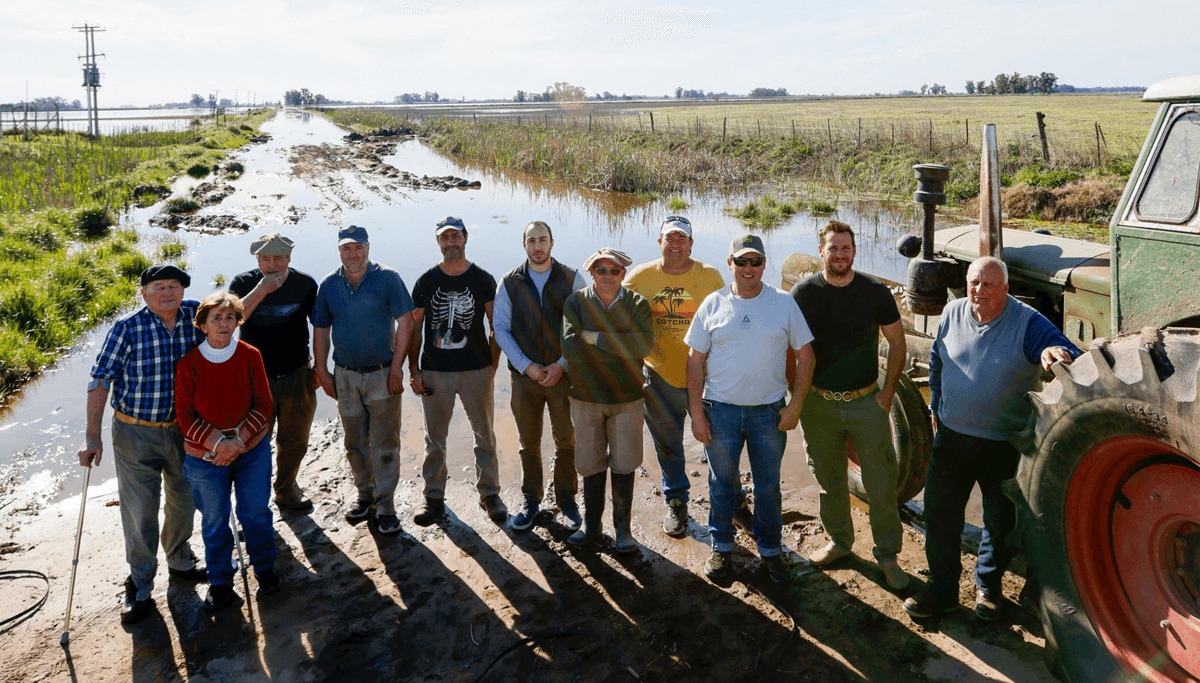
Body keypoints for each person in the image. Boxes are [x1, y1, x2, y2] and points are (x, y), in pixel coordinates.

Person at [903, 257, 1080, 621]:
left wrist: (1051, 353)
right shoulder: (952, 313)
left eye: (987, 285)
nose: (978, 291)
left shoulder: (1027, 323)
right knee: (940, 516)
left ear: (1005, 289)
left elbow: (1068, 352)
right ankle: (942, 589)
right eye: (973, 283)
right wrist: (936, 406)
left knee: (1000, 523)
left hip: (1002, 443)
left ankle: (988, 587)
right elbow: (937, 360)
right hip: (951, 438)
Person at [78, 264, 207, 625]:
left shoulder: (196, 316)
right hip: (135, 433)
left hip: (183, 431)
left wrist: (265, 285)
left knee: (184, 501)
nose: (167, 292)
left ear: (183, 290)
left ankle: (180, 560)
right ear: (144, 293)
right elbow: (100, 379)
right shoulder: (126, 329)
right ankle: (139, 583)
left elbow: (232, 315)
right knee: (140, 510)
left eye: (174, 286)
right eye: (158, 287)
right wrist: (92, 435)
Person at [685, 235, 815, 584]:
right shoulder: (712, 304)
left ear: (764, 265)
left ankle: (771, 550)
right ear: (729, 264)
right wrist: (697, 415)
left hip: (768, 414)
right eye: (741, 262)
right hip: (721, 412)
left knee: (768, 486)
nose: (748, 269)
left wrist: (796, 406)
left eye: (755, 261)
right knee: (722, 483)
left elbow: (806, 355)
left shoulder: (783, 303)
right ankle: (721, 546)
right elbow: (694, 362)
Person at [791, 220, 910, 590]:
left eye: (846, 248)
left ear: (854, 252)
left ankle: (887, 554)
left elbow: (897, 343)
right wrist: (795, 397)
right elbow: (791, 346)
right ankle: (840, 542)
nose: (839, 254)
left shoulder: (874, 292)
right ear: (821, 252)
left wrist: (887, 394)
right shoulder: (804, 292)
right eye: (832, 248)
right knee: (829, 481)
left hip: (865, 402)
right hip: (819, 403)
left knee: (880, 483)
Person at [624, 216, 728, 537]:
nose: (675, 244)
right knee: (668, 446)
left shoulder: (709, 276)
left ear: (691, 244)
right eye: (669, 238)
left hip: (707, 379)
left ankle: (730, 503)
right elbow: (613, 307)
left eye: (682, 238)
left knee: (720, 444)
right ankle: (677, 502)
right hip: (659, 377)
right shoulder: (641, 276)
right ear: (659, 243)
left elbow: (729, 322)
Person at [175, 292, 280, 612]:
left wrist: (239, 443)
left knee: (255, 513)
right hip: (206, 458)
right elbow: (185, 416)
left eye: (229, 317)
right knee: (215, 520)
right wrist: (220, 445)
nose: (224, 324)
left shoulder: (250, 355)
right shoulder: (188, 364)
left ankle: (264, 568)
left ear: (238, 321)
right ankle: (221, 580)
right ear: (202, 325)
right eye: (216, 319)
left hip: (251, 451)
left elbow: (264, 405)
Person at [312, 225, 415, 536]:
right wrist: (322, 370)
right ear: (339, 251)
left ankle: (385, 507)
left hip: (382, 373)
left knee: (385, 443)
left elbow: (406, 322)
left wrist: (398, 368)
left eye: (358, 247)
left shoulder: (388, 278)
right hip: (345, 375)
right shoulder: (329, 285)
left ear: (368, 248)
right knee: (355, 442)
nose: (353, 253)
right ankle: (364, 495)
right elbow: (320, 330)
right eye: (347, 248)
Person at [408, 217, 507, 526]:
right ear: (438, 242)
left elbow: (497, 325)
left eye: (455, 236)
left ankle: (489, 493)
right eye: (444, 237)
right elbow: (414, 328)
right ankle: (433, 497)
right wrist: (414, 368)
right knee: (434, 438)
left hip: (476, 369)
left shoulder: (482, 279)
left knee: (485, 434)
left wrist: (492, 365)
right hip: (436, 371)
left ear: (465, 238)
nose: (450, 242)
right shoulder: (426, 281)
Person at [494, 221, 587, 531]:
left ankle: (567, 501)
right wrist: (526, 366)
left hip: (564, 376)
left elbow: (582, 328)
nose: (537, 245)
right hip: (525, 379)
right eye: (531, 240)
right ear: (524, 245)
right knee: (528, 443)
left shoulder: (573, 279)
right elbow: (501, 331)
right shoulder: (509, 282)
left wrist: (562, 364)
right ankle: (531, 501)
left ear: (552, 243)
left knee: (566, 441)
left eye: (542, 239)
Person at [561, 247, 654, 553]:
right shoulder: (575, 302)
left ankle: (623, 529)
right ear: (591, 273)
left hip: (627, 399)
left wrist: (596, 337)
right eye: (601, 271)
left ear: (623, 274)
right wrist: (620, 343)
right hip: (586, 398)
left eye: (614, 271)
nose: (608, 276)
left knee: (625, 464)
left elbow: (642, 345)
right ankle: (591, 525)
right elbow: (572, 347)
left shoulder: (638, 303)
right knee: (589, 463)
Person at [229, 232, 320, 513]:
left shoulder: (305, 284)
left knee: (295, 440)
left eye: (279, 258)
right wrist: (261, 290)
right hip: (254, 378)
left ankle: (287, 490)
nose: (272, 265)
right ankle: (251, 503)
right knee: (253, 443)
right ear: (257, 259)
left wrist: (319, 368)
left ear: (289, 258)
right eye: (266, 259)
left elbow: (319, 326)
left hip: (296, 372)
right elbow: (231, 320)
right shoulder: (242, 282)